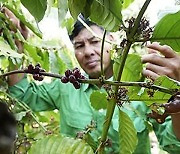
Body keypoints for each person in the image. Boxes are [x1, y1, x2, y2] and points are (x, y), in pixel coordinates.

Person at [7, 12, 180, 153]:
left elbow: (173, 144)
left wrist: (177, 96)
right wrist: (16, 47)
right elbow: (23, 96)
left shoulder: (142, 86)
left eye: (95, 41)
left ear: (111, 40)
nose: (88, 51)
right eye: (79, 45)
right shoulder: (65, 88)